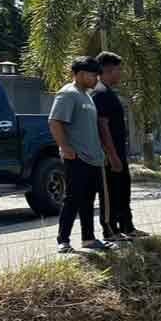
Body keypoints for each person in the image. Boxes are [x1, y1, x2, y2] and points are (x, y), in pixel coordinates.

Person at [49, 56, 114, 253]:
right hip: (77, 157)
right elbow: (55, 122)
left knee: (88, 200)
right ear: (81, 74)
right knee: (72, 199)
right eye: (94, 75)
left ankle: (89, 238)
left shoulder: (86, 95)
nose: (96, 79)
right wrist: (64, 147)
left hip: (93, 158)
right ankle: (63, 240)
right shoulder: (68, 94)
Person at [92, 51, 148, 241]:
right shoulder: (100, 93)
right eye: (117, 70)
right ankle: (110, 230)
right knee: (110, 192)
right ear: (107, 70)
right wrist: (112, 155)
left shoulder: (109, 92)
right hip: (109, 154)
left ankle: (127, 227)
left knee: (123, 190)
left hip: (119, 151)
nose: (120, 74)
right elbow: (102, 125)